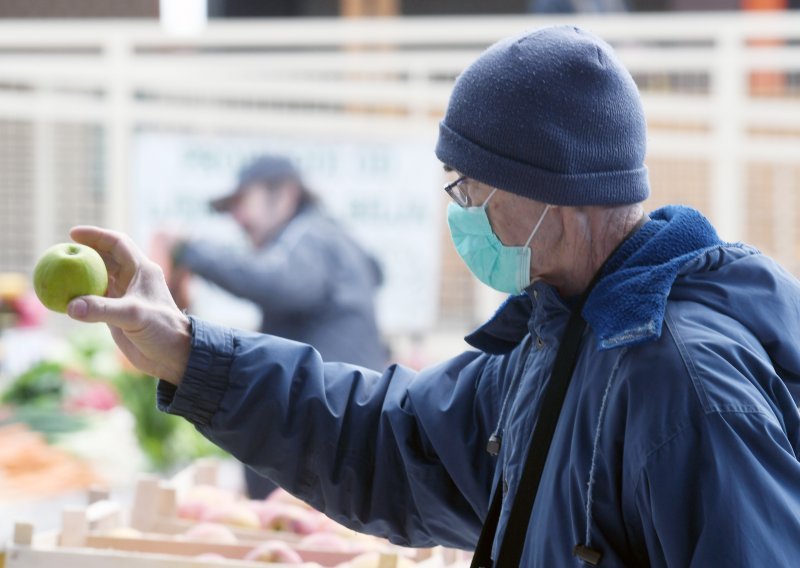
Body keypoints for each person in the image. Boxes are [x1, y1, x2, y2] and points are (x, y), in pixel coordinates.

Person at [65, 25, 800, 566]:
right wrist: (192, 356)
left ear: (555, 193)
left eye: (469, 186)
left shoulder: (681, 383)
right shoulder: (565, 338)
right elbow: (392, 440)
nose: (460, 210)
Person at [160, 154, 388, 497]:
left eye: (242, 203)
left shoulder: (311, 235)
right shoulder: (326, 238)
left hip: (327, 431)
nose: (237, 218)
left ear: (285, 195)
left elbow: (277, 282)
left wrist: (190, 251)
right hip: (336, 426)